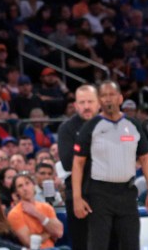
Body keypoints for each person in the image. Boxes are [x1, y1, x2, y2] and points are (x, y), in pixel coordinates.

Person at [72, 81, 148, 250]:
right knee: (98, 245)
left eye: (112, 95)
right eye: (104, 95)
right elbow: (78, 163)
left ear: (120, 98)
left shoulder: (133, 125)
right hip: (99, 194)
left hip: (127, 192)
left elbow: (146, 159)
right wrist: (77, 198)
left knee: (131, 244)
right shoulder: (91, 126)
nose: (108, 99)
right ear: (99, 100)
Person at [55, 83, 98, 250]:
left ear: (99, 103)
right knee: (83, 245)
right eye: (82, 102)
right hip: (79, 197)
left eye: (90, 101)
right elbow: (67, 162)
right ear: (75, 105)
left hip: (108, 196)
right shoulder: (67, 128)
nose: (86, 106)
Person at [6, 174, 65, 248]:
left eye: (27, 183)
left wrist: (37, 214)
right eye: (20, 186)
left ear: (34, 186)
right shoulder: (14, 213)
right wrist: (50, 232)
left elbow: (59, 232)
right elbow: (30, 243)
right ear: (16, 192)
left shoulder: (46, 207)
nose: (25, 188)